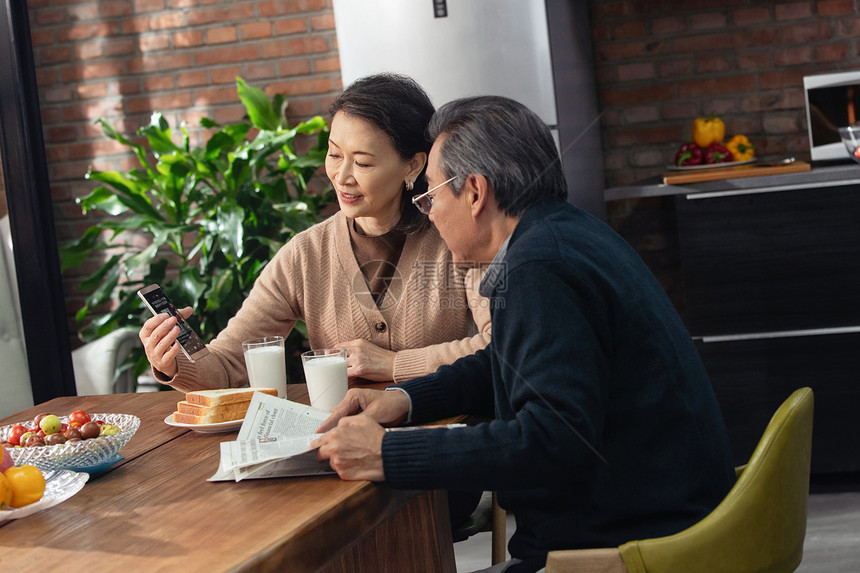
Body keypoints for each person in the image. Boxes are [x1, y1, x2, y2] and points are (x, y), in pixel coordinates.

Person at [312, 96, 736, 573]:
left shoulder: (540, 267)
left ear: (474, 193)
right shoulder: (563, 234)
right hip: (663, 524)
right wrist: (406, 399)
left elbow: (552, 440)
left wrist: (387, 453)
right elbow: (510, 361)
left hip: (631, 550)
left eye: (430, 195)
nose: (427, 213)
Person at [139, 74, 491, 393]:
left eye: (363, 163)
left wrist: (393, 364)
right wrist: (172, 360)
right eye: (334, 154)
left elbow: (499, 345)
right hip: (345, 446)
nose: (342, 176)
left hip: (448, 437)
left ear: (413, 165)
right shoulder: (305, 255)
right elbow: (229, 365)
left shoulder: (458, 238)